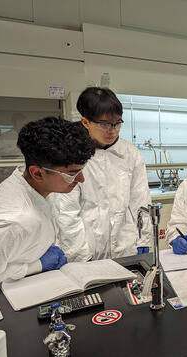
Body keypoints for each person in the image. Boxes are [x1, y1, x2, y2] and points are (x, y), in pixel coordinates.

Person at [50, 87, 151, 261]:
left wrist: (144, 238)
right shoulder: (71, 154)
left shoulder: (130, 153)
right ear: (85, 122)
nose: (112, 130)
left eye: (117, 123)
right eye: (104, 124)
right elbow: (66, 212)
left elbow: (140, 200)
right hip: (86, 248)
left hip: (125, 245)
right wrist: (80, 255)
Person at [0, 117, 95, 284]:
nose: (82, 179)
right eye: (72, 174)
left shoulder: (34, 185)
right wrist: (35, 266)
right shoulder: (15, 220)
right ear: (37, 173)